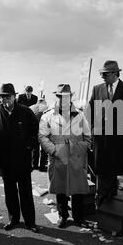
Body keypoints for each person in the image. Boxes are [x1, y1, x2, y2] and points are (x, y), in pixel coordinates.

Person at [0, 83, 39, 233]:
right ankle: (13, 219)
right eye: (2, 97)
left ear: (15, 96)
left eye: (8, 96)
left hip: (22, 160)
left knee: (26, 192)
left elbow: (35, 132)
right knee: (10, 192)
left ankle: (30, 222)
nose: (5, 99)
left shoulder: (25, 111)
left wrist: (29, 147)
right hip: (5, 161)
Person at [87, 60, 123, 206]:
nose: (102, 76)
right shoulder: (97, 89)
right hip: (99, 136)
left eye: (105, 74)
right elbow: (90, 110)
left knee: (113, 166)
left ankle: (109, 197)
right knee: (100, 167)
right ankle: (102, 197)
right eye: (101, 74)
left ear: (115, 73)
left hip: (117, 136)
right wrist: (91, 129)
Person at [39, 84, 91, 228]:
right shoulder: (48, 115)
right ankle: (63, 216)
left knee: (78, 189)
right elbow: (42, 136)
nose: (64, 99)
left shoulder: (80, 115)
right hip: (58, 156)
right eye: (61, 96)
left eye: (67, 96)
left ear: (71, 97)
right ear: (58, 97)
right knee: (61, 188)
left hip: (76, 156)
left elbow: (87, 136)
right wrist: (54, 151)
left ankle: (78, 217)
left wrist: (81, 149)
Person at [30, 96, 49, 171]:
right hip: (43, 130)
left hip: (34, 130)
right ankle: (42, 166)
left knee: (35, 148)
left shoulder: (31, 107)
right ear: (44, 102)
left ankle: (34, 165)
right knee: (44, 150)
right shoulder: (47, 107)